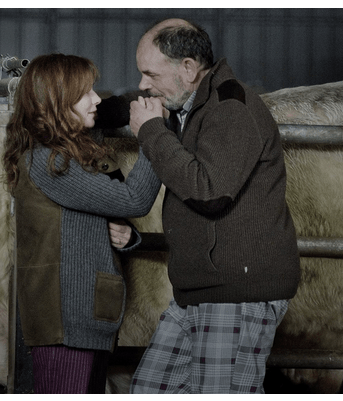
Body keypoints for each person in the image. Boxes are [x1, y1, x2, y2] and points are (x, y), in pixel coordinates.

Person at [99, 18, 301, 393]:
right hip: (200, 290)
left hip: (236, 293)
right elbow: (136, 103)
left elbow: (209, 191)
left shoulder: (230, 108)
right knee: (150, 388)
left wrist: (150, 131)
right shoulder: (190, 104)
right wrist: (84, 112)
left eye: (150, 74)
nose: (142, 84)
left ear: (188, 68)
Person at [3, 53, 161, 394]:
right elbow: (134, 199)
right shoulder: (48, 161)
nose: (96, 99)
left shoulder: (70, 153)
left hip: (85, 318)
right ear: (56, 104)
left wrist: (126, 236)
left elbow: (86, 219)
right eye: (85, 93)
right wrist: (154, 136)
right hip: (66, 324)